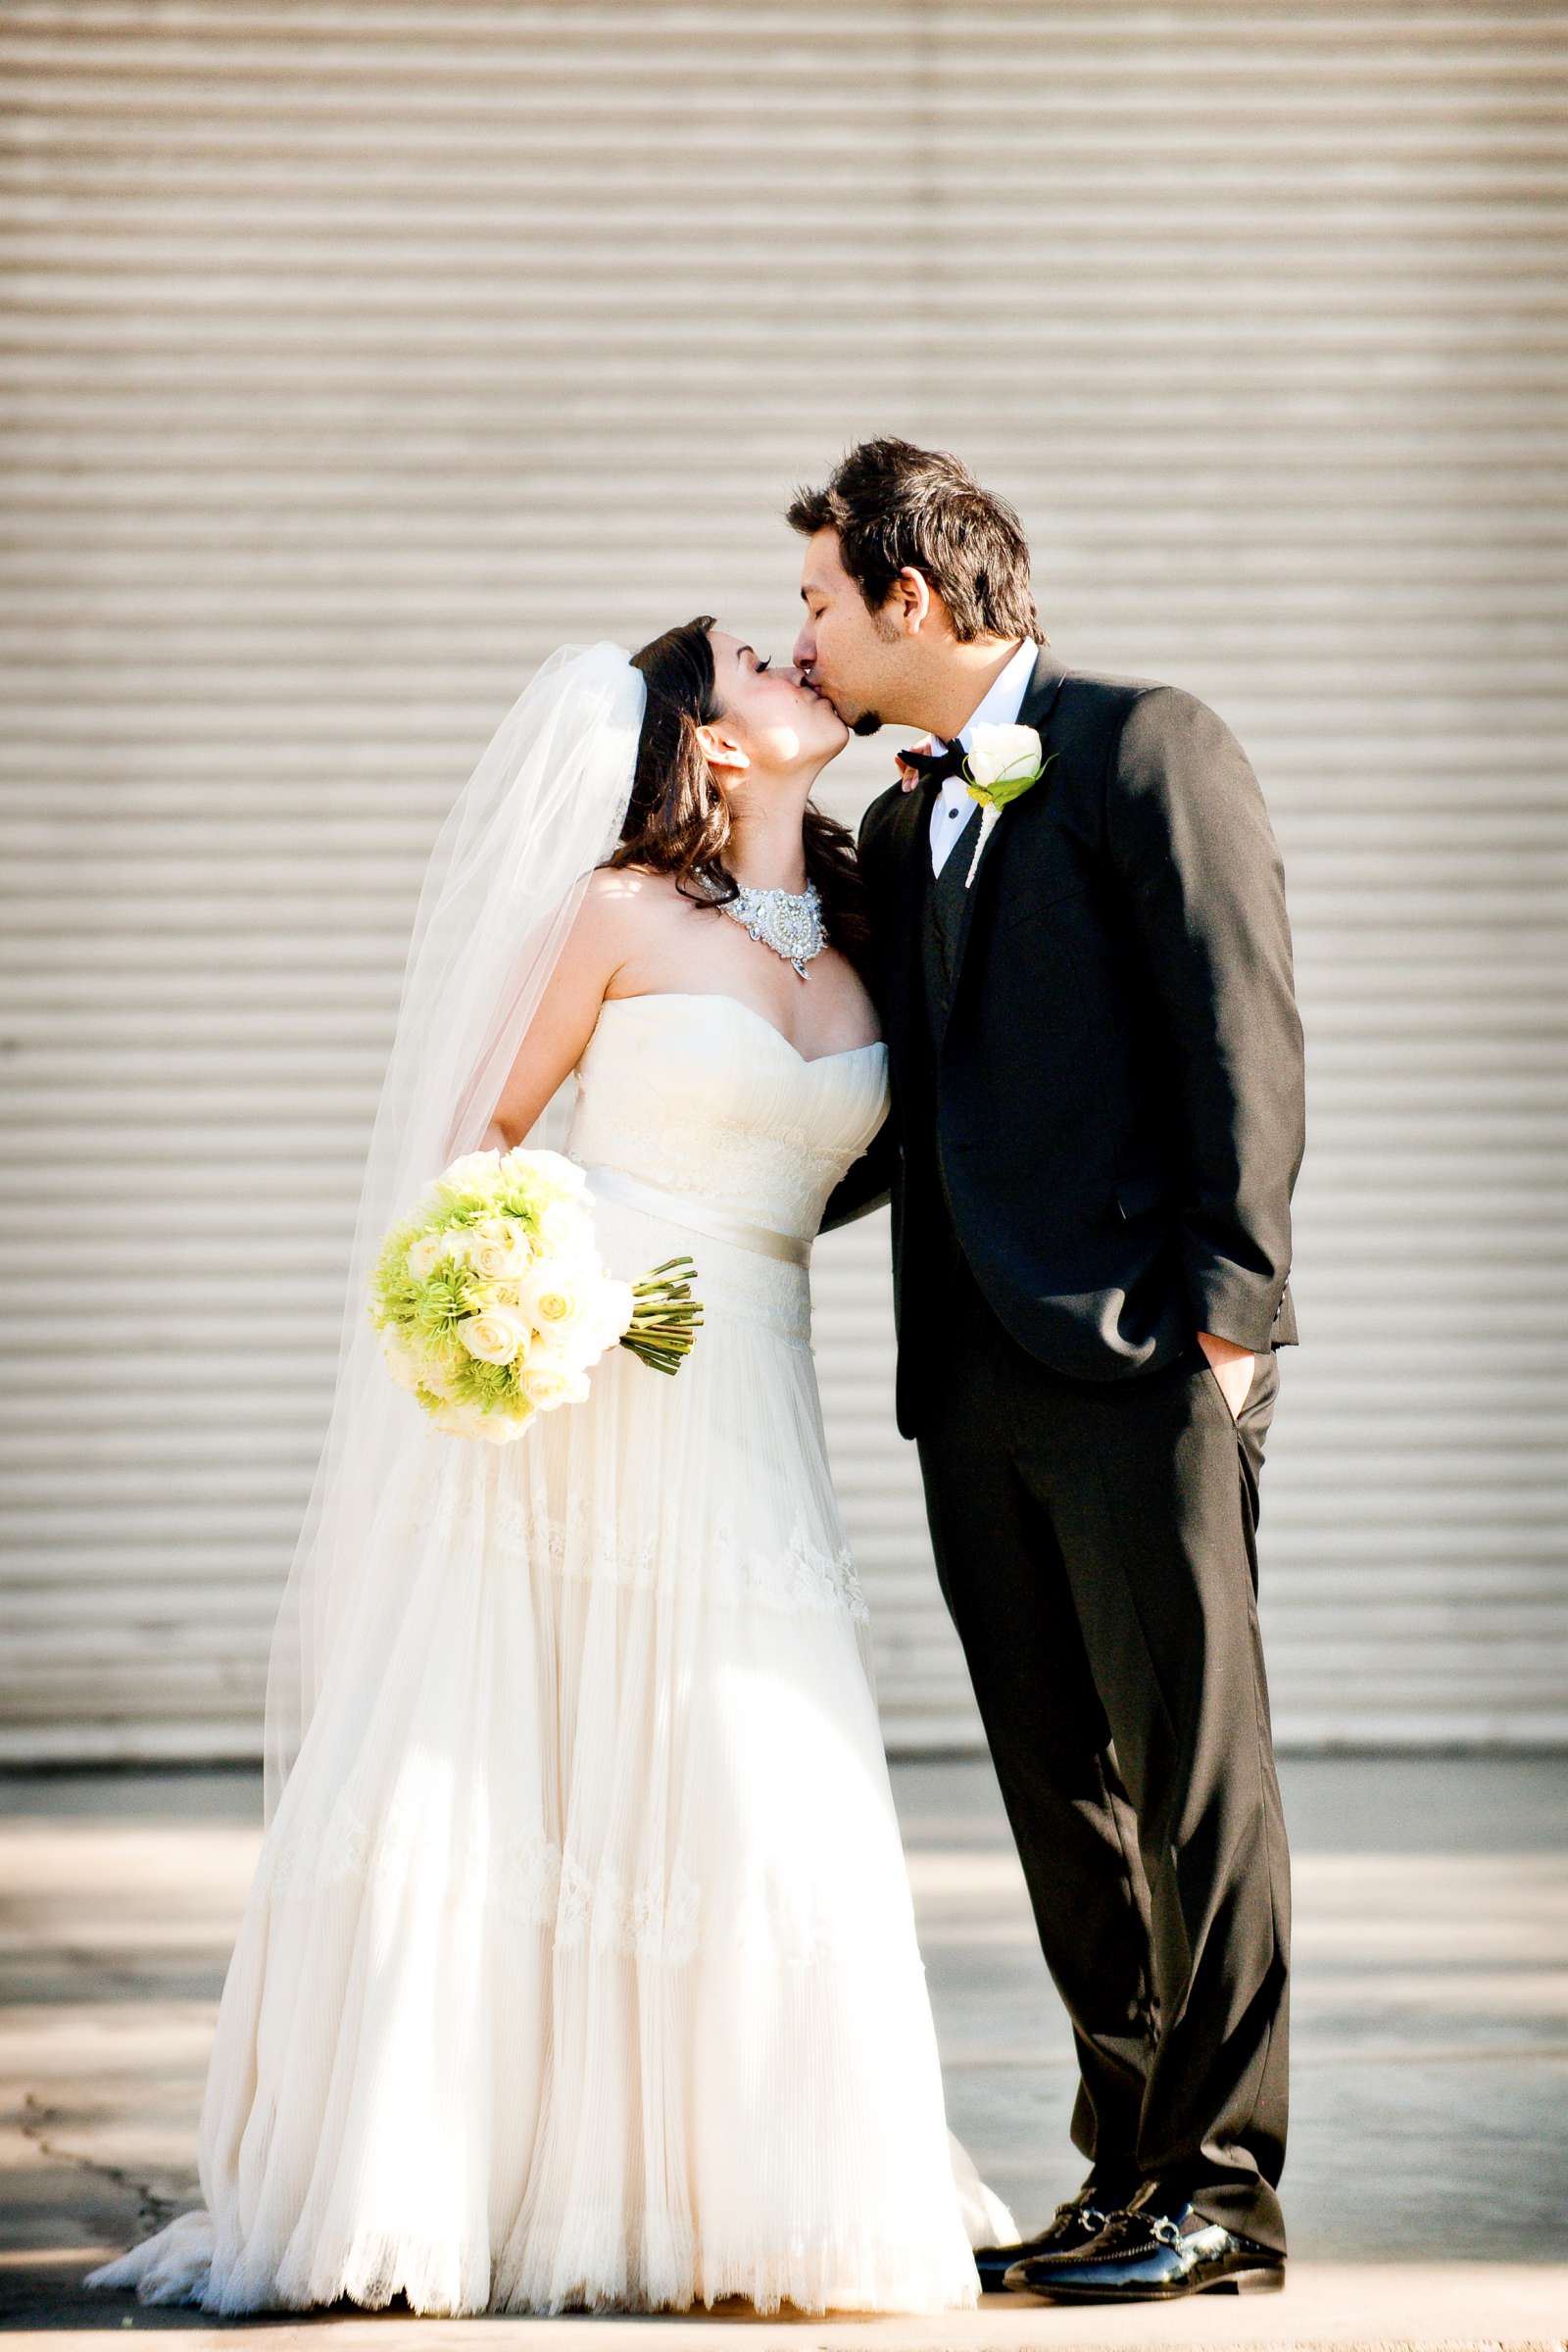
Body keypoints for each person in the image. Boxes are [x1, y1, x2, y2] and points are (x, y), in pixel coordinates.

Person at [82, 626, 1015, 2319]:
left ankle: (750, 2199)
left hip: (762, 1408)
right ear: (714, 750)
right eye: (754, 659)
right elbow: (474, 1141)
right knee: (545, 1776)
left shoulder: (876, 927)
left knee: (752, 1770)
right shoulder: (615, 915)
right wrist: (555, 1294)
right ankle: (455, 2175)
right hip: (603, 1390)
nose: (797, 655)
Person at [798, 439, 1305, 2307]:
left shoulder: (1146, 744)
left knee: (1194, 1788)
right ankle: (1124, 2166)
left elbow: (1237, 1024)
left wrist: (1231, 1321)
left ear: (910, 602)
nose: (808, 639)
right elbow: (915, 1119)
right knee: (1060, 1797)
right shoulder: (925, 807)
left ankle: (1226, 2192)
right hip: (974, 1382)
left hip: (1145, 1362)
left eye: (819, 603)